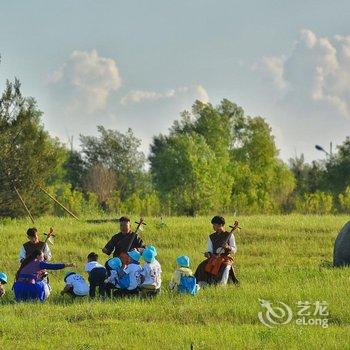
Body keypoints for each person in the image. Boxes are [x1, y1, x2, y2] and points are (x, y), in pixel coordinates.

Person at [194, 216, 239, 287]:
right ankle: (202, 284)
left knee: (226, 266)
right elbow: (210, 250)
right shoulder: (211, 236)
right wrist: (208, 254)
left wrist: (228, 247)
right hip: (214, 257)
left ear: (220, 225)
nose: (213, 226)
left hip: (225, 258)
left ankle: (221, 285)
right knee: (202, 266)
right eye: (213, 225)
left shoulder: (229, 235)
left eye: (215, 224)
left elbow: (234, 250)